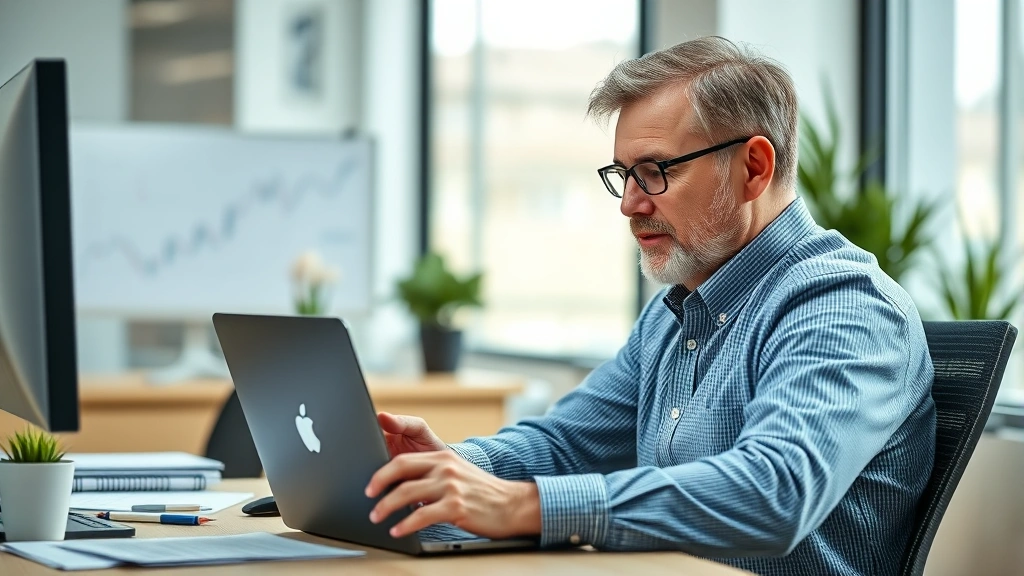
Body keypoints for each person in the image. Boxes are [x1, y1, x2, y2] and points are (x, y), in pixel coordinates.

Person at [364, 36, 936, 575]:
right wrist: (448, 469)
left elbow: (772, 491)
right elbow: (569, 443)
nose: (630, 204)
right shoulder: (677, 309)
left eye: (656, 171)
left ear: (754, 168)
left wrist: (522, 505)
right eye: (623, 175)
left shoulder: (843, 306)